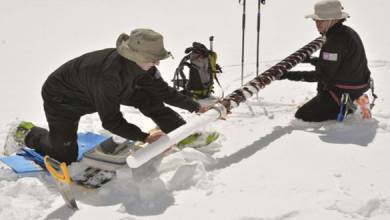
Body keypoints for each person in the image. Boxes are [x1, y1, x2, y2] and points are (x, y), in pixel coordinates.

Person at [5, 28, 208, 164]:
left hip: (95, 90)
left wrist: (195, 107)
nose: (158, 64)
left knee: (147, 96)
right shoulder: (108, 77)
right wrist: (145, 137)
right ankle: (27, 133)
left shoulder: (142, 68)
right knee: (64, 156)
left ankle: (180, 131)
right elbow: (111, 121)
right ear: (136, 57)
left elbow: (163, 91)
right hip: (63, 98)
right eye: (153, 60)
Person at [280, 0, 371, 122]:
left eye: (321, 20)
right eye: (316, 20)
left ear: (334, 19)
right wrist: (310, 60)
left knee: (303, 115)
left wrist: (288, 75)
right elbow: (333, 64)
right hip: (357, 84)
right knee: (320, 94)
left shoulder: (334, 40)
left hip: (344, 90)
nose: (317, 24)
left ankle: (348, 106)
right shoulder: (345, 32)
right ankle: (352, 99)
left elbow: (323, 74)